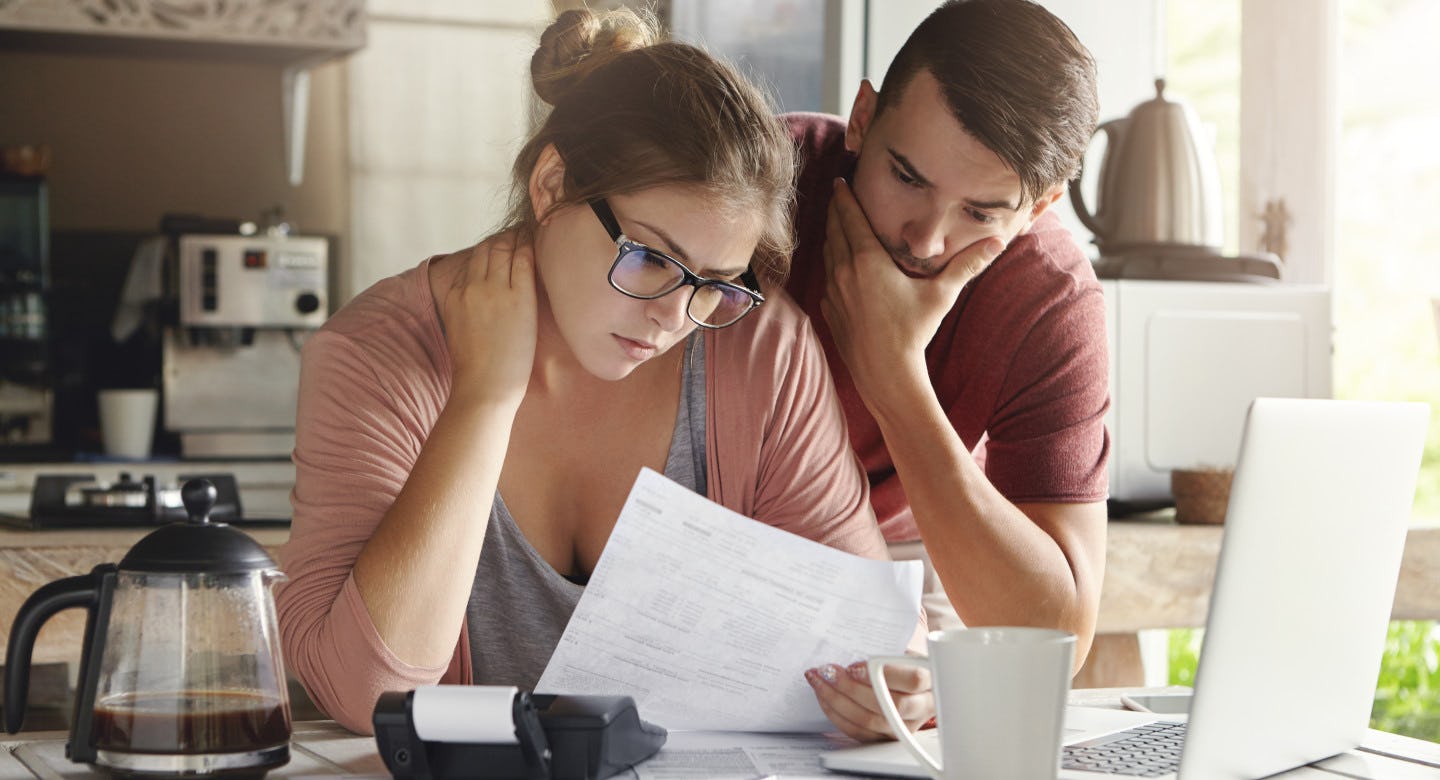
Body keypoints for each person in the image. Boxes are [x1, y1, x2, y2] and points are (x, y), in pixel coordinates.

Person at [275, 8, 931, 740]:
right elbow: (367, 692)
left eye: (714, 282)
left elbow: (866, 639)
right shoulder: (376, 355)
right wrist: (485, 397)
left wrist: (896, 688)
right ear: (552, 186)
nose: (674, 317)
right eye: (650, 257)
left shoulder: (761, 348)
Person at [791, 0, 1111, 738]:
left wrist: (895, 378)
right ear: (864, 118)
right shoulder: (758, 184)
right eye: (907, 177)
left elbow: (1054, 641)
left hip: (911, 544)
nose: (928, 240)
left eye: (982, 212)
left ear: (1040, 206)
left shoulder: (1050, 299)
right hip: (706, 518)